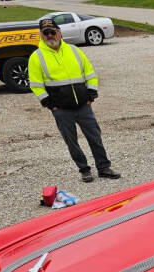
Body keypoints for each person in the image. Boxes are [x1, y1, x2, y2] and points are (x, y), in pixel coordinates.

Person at [28, 18, 120, 183]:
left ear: (59, 32)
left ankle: (104, 168)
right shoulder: (36, 57)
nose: (50, 35)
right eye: (45, 33)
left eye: (52, 32)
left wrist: (91, 94)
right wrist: (51, 105)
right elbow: (36, 85)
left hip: (83, 106)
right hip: (61, 110)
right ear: (41, 36)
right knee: (72, 142)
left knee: (95, 137)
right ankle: (84, 170)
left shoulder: (74, 50)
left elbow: (89, 73)